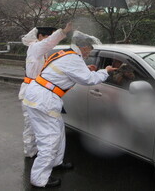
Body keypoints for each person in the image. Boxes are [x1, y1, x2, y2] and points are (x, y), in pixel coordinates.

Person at [22, 31, 117, 188]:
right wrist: (104, 71)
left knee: (58, 131)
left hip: (40, 96)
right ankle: (39, 179)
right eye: (90, 50)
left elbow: (68, 71)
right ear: (84, 47)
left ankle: (56, 162)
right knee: (49, 140)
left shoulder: (66, 54)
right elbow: (89, 80)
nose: (90, 53)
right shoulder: (73, 58)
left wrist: (86, 69)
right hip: (44, 99)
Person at [18, 23, 73, 159]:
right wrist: (63, 32)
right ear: (40, 36)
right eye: (50, 35)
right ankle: (30, 152)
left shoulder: (41, 52)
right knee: (31, 125)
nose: (51, 38)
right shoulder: (35, 47)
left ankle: (41, 152)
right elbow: (49, 43)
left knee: (43, 125)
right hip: (31, 92)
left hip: (40, 92)